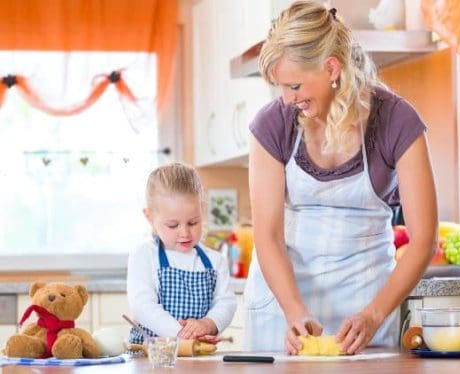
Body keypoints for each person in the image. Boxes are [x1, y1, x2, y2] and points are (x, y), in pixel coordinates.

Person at [244, 0, 438, 355]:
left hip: (364, 308)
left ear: (331, 68)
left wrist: (374, 315)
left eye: (295, 86)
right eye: (281, 88)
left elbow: (424, 238)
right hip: (284, 308)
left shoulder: (398, 122)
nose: (287, 100)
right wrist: (294, 311)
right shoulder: (272, 125)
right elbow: (268, 236)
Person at [127, 162, 236, 344]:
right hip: (151, 357)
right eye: (173, 225)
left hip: (198, 357)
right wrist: (180, 333)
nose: (185, 233)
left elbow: (226, 303)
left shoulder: (215, 261)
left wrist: (208, 323)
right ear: (150, 217)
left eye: (193, 223)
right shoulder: (144, 255)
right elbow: (142, 307)